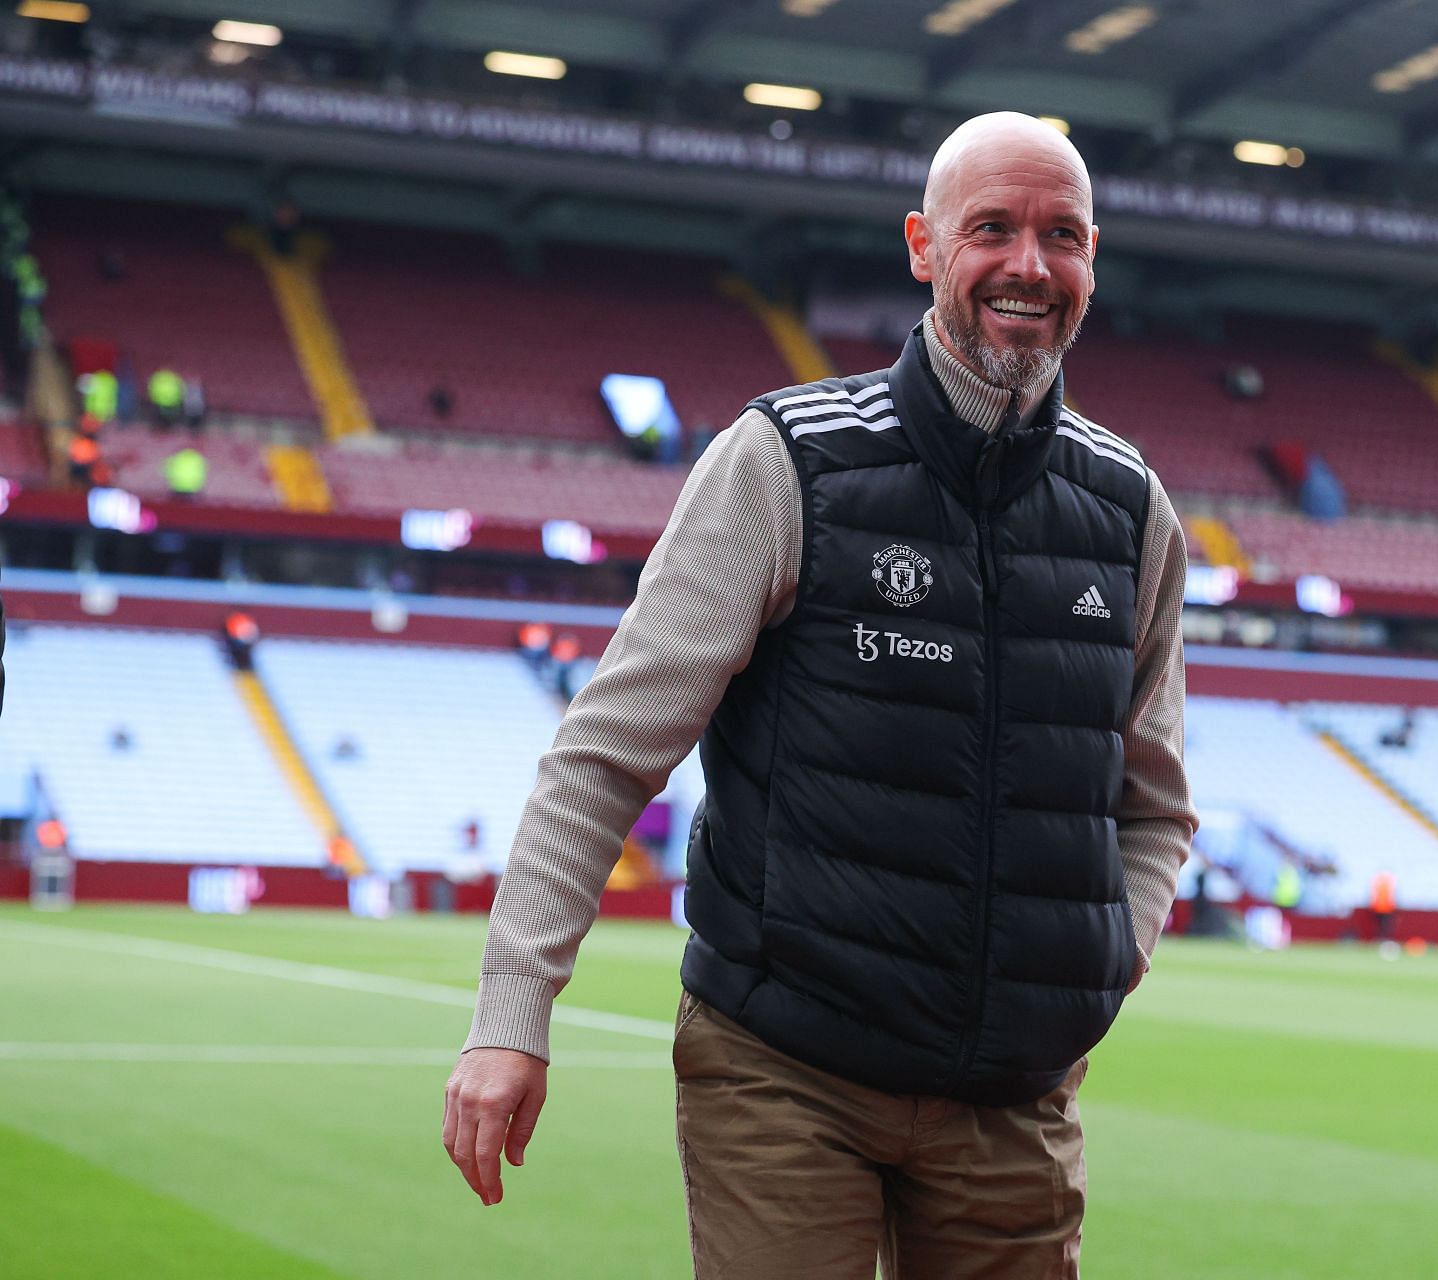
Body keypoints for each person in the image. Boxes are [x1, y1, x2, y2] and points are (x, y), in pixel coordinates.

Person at [443, 111, 1195, 1278]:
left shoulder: (1132, 510)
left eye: (1063, 236)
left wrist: (1106, 954)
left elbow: (1153, 804)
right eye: (990, 228)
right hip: (786, 1070)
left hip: (1015, 1100)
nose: (1029, 266)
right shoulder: (786, 463)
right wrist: (512, 1015)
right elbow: (605, 756)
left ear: (1094, 257)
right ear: (923, 245)